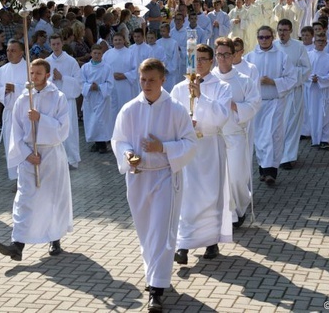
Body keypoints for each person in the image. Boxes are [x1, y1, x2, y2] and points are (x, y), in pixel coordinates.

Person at [111, 58, 197, 312]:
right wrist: (128, 156)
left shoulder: (176, 109)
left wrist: (164, 148)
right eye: (143, 79)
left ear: (163, 80)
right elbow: (120, 140)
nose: (146, 84)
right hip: (138, 177)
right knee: (146, 231)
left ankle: (156, 290)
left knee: (161, 232)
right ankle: (154, 275)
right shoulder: (129, 109)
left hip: (164, 177)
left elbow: (191, 145)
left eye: (151, 80)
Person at [0, 59, 72, 261]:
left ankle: (54, 239)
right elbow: (16, 130)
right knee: (24, 199)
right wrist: (26, 154)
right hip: (29, 155)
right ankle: (17, 244)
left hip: (51, 154)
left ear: (47, 75)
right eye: (32, 73)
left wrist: (41, 119)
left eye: (39, 73)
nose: (34, 77)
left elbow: (63, 130)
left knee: (51, 198)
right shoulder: (23, 99)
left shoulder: (58, 97)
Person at [171, 45, 231, 265]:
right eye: (196, 59)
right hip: (187, 149)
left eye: (204, 59)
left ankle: (211, 241)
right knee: (186, 197)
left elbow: (222, 116)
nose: (199, 63)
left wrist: (201, 98)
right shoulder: (178, 88)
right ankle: (183, 245)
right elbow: (171, 114)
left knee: (210, 195)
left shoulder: (222, 87)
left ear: (212, 61)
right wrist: (184, 125)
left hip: (209, 147)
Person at [212, 37, 261, 228]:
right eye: (219, 54)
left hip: (235, 135)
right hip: (214, 136)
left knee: (237, 177)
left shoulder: (244, 81)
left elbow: (255, 103)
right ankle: (226, 215)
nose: (222, 58)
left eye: (226, 54)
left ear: (233, 55)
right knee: (217, 178)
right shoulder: (209, 79)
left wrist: (234, 106)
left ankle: (240, 207)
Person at [244, 26, 295, 186]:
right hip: (257, 103)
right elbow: (243, 79)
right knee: (260, 137)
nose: (264, 40)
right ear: (257, 38)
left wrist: (274, 82)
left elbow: (291, 78)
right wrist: (255, 82)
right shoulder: (250, 58)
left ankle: (271, 171)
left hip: (275, 102)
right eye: (261, 37)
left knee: (274, 135)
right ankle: (263, 168)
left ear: (272, 38)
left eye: (267, 37)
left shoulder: (282, 56)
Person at [275, 20, 311, 171]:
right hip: (277, 92)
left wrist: (291, 77)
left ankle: (288, 157)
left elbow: (307, 68)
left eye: (285, 30)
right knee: (278, 125)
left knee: (292, 125)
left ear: (290, 31)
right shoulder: (273, 46)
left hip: (294, 91)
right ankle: (276, 154)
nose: (282, 33)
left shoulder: (299, 47)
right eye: (280, 30)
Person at [0, 39, 28, 180]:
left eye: (13, 50)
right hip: (9, 114)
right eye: (7, 50)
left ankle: (27, 177)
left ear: (21, 52)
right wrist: (4, 91)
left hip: (25, 114)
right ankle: (16, 178)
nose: (9, 53)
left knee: (25, 146)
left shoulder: (29, 68)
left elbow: (35, 88)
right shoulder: (3, 70)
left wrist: (17, 88)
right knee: (11, 146)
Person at [47, 33, 83, 168]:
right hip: (52, 100)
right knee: (53, 130)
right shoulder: (47, 61)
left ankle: (71, 159)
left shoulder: (71, 61)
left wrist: (63, 78)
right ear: (50, 45)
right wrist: (51, 79)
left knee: (70, 130)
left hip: (67, 100)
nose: (56, 47)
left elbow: (79, 83)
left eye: (58, 43)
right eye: (53, 44)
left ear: (62, 43)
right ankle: (55, 159)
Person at [304, 34, 329, 148]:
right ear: (314, 42)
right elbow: (303, 72)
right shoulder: (307, 56)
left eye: (323, 41)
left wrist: (321, 79)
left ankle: (325, 139)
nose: (321, 43)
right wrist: (310, 78)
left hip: (324, 91)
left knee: (325, 114)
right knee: (312, 113)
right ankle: (315, 138)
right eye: (318, 41)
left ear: (326, 43)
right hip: (311, 90)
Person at [81, 44, 115, 153]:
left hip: (102, 98)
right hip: (90, 97)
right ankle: (96, 143)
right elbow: (81, 82)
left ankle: (103, 144)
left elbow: (110, 83)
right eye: (94, 53)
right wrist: (89, 87)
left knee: (100, 121)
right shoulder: (85, 67)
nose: (96, 55)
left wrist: (99, 87)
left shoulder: (107, 67)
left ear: (102, 54)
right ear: (91, 53)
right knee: (91, 121)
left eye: (99, 53)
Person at [103, 33, 137, 116]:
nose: (117, 42)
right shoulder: (107, 54)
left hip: (125, 85)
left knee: (126, 107)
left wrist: (125, 75)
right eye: (115, 40)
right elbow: (103, 69)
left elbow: (136, 70)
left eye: (119, 40)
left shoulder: (130, 53)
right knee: (112, 108)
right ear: (113, 41)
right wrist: (110, 75)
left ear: (124, 40)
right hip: (112, 84)